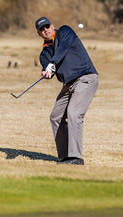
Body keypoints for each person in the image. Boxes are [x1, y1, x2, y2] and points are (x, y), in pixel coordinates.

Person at [35, 16, 99, 165]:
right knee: (55, 116)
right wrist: (47, 72)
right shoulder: (45, 53)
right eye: (42, 29)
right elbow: (48, 68)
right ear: (39, 33)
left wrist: (52, 63)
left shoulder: (65, 31)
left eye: (47, 27)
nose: (45, 30)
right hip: (68, 84)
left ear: (52, 25)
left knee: (74, 113)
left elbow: (63, 49)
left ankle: (76, 157)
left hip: (85, 78)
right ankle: (64, 156)